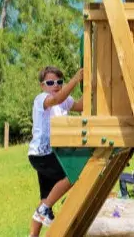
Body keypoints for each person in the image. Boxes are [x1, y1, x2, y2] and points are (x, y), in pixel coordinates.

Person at [28, 66, 84, 236]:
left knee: (46, 197)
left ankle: (33, 234)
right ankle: (44, 210)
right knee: (72, 175)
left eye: (59, 82)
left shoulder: (64, 100)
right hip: (41, 154)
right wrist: (75, 79)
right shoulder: (42, 99)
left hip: (50, 154)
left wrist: (92, 88)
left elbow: (80, 105)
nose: (56, 85)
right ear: (42, 86)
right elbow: (58, 99)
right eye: (50, 82)